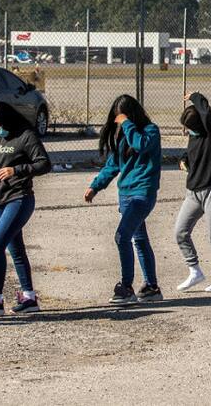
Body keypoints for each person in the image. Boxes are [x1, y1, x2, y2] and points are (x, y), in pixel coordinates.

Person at [85, 95, 163, 304]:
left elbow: (141, 145)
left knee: (122, 236)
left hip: (143, 194)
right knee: (140, 239)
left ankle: (126, 287)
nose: (119, 122)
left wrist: (127, 124)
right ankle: (151, 287)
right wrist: (95, 186)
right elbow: (112, 165)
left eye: (122, 117)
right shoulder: (123, 138)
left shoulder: (150, 132)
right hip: (125, 196)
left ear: (131, 115)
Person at [0, 101, 50, 316]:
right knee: (15, 248)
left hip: (19, 199)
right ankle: (29, 298)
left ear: (8, 120)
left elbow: (44, 163)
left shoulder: (26, 136)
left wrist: (16, 170)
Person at [174, 92, 211, 293]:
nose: (187, 131)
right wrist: (183, 161)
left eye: (189, 127)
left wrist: (196, 97)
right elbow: (191, 153)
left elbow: (207, 114)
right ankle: (194, 271)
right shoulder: (195, 136)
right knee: (180, 231)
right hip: (193, 192)